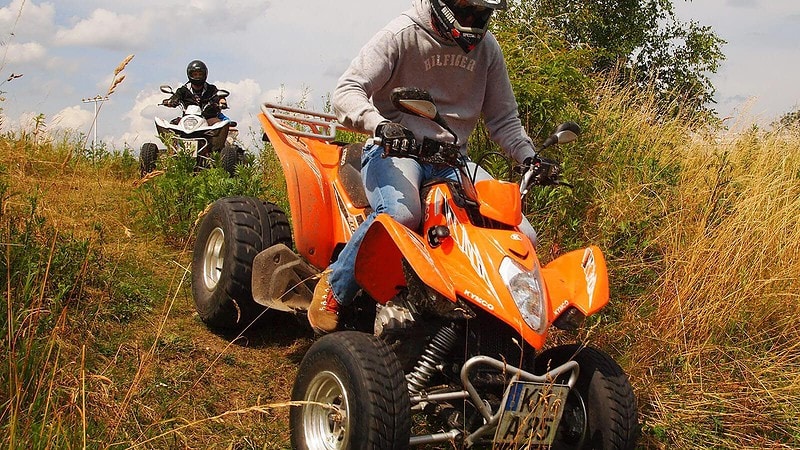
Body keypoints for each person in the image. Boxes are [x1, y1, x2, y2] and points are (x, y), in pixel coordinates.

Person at [308, 0, 543, 334]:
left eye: (482, 14)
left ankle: (492, 328)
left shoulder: (488, 50)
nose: (474, 20)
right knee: (403, 215)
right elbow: (347, 91)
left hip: (452, 159)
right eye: (467, 11)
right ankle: (335, 286)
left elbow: (504, 119)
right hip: (395, 150)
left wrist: (529, 157)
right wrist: (380, 125)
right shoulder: (402, 34)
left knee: (523, 234)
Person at [162, 59, 228, 124]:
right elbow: (175, 97)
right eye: (195, 74)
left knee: (222, 126)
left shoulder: (211, 89)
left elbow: (218, 96)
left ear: (205, 74)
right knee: (171, 126)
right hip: (188, 120)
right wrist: (170, 102)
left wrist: (222, 101)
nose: (198, 76)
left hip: (208, 119)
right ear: (189, 75)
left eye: (200, 74)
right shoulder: (183, 90)